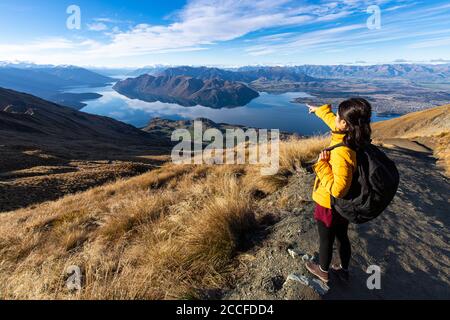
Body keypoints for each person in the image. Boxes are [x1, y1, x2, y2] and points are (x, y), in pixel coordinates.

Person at [305, 98, 372, 284]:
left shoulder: (342, 152)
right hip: (343, 206)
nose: (334, 118)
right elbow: (332, 123)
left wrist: (321, 165)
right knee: (342, 236)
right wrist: (319, 110)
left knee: (325, 239)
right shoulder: (354, 136)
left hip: (329, 203)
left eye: (337, 116)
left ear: (344, 123)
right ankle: (344, 270)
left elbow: (338, 189)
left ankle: (323, 271)